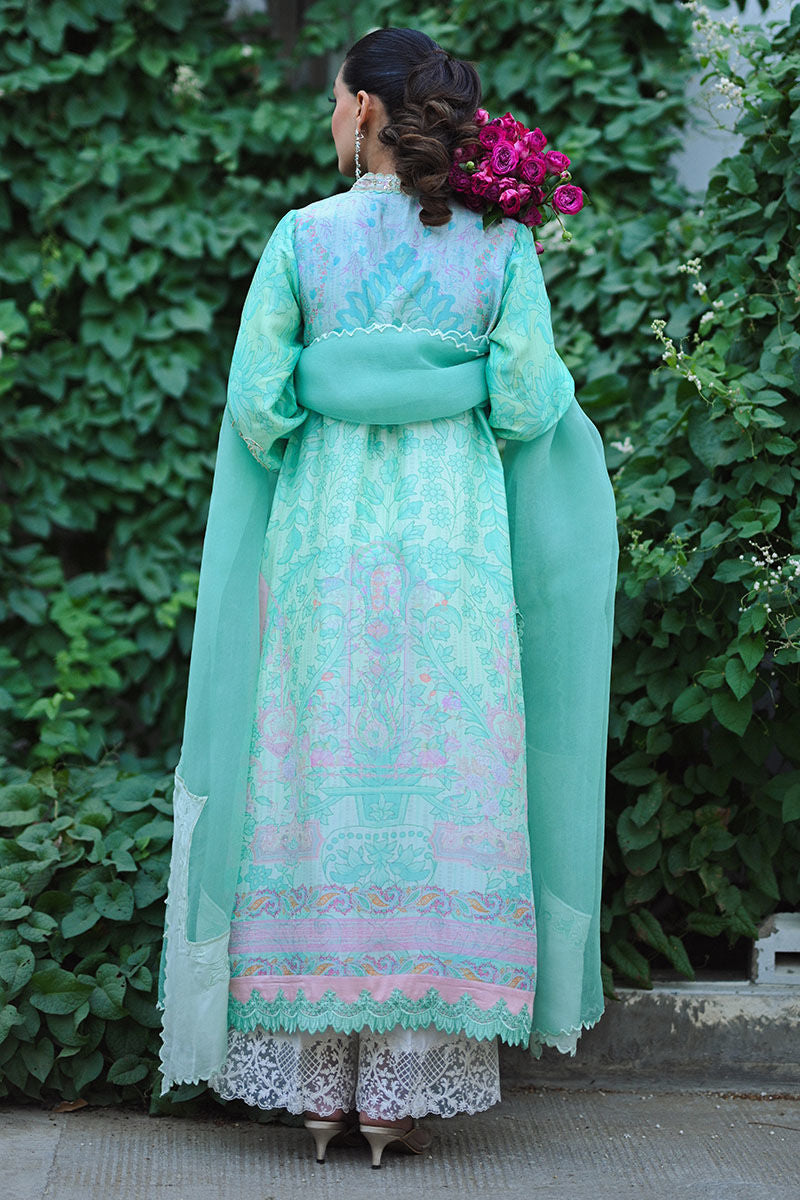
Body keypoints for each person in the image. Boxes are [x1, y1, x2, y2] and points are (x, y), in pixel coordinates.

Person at [157, 27, 618, 1169]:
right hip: (451, 550)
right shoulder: (498, 244)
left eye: (333, 100)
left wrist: (338, 387)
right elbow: (528, 405)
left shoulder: (300, 238)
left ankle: (319, 1091)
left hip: (327, 546)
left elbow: (259, 406)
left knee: (316, 762)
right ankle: (399, 1094)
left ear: (363, 108)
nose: (329, 118)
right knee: (443, 761)